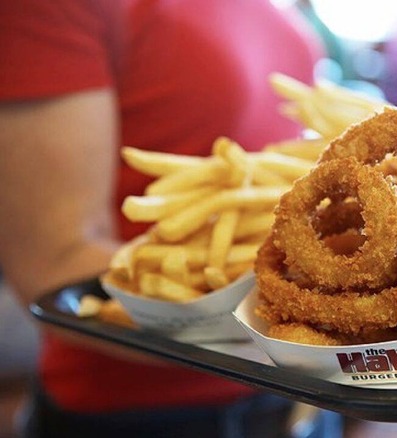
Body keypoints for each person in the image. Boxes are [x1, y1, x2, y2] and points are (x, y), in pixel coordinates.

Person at [0, 1, 342, 437]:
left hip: (300, 395)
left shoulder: (284, 15)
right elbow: (53, 262)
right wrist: (299, 320)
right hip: (140, 413)